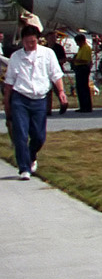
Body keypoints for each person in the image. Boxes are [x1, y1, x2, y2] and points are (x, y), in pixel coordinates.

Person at [5, 23, 66, 180]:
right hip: (20, 98)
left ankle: (31, 155)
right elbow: (9, 83)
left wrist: (61, 92)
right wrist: (7, 105)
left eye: (32, 41)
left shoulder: (47, 54)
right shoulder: (16, 57)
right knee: (20, 134)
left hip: (39, 99)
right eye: (26, 42)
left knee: (39, 137)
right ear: (22, 41)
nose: (30, 45)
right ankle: (24, 167)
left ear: (38, 40)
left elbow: (55, 74)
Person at [71, 33, 94, 113]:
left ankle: (87, 106)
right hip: (79, 68)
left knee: (83, 87)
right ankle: (82, 106)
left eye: (77, 42)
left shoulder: (86, 48)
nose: (77, 44)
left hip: (83, 68)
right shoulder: (80, 48)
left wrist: (74, 60)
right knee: (79, 88)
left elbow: (85, 60)